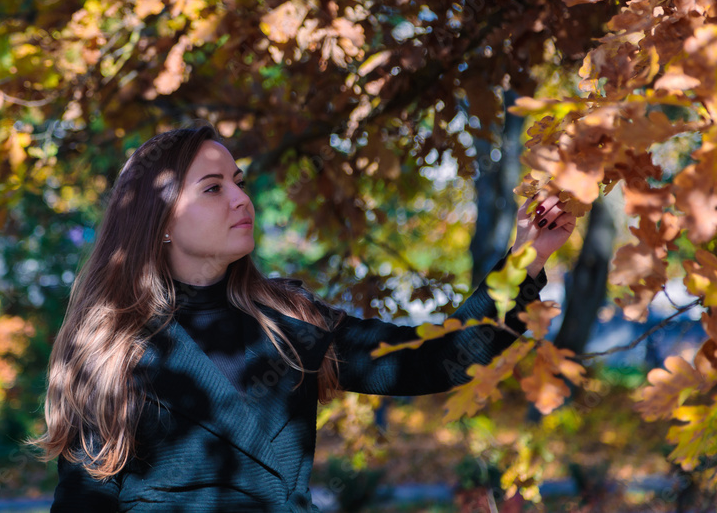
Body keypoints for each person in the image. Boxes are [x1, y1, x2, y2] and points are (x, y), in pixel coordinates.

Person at [30, 123, 576, 511]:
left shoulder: (289, 320)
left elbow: (437, 360)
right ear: (161, 222)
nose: (240, 199)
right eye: (213, 188)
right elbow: (84, 501)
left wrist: (525, 259)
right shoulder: (112, 346)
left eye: (239, 181)